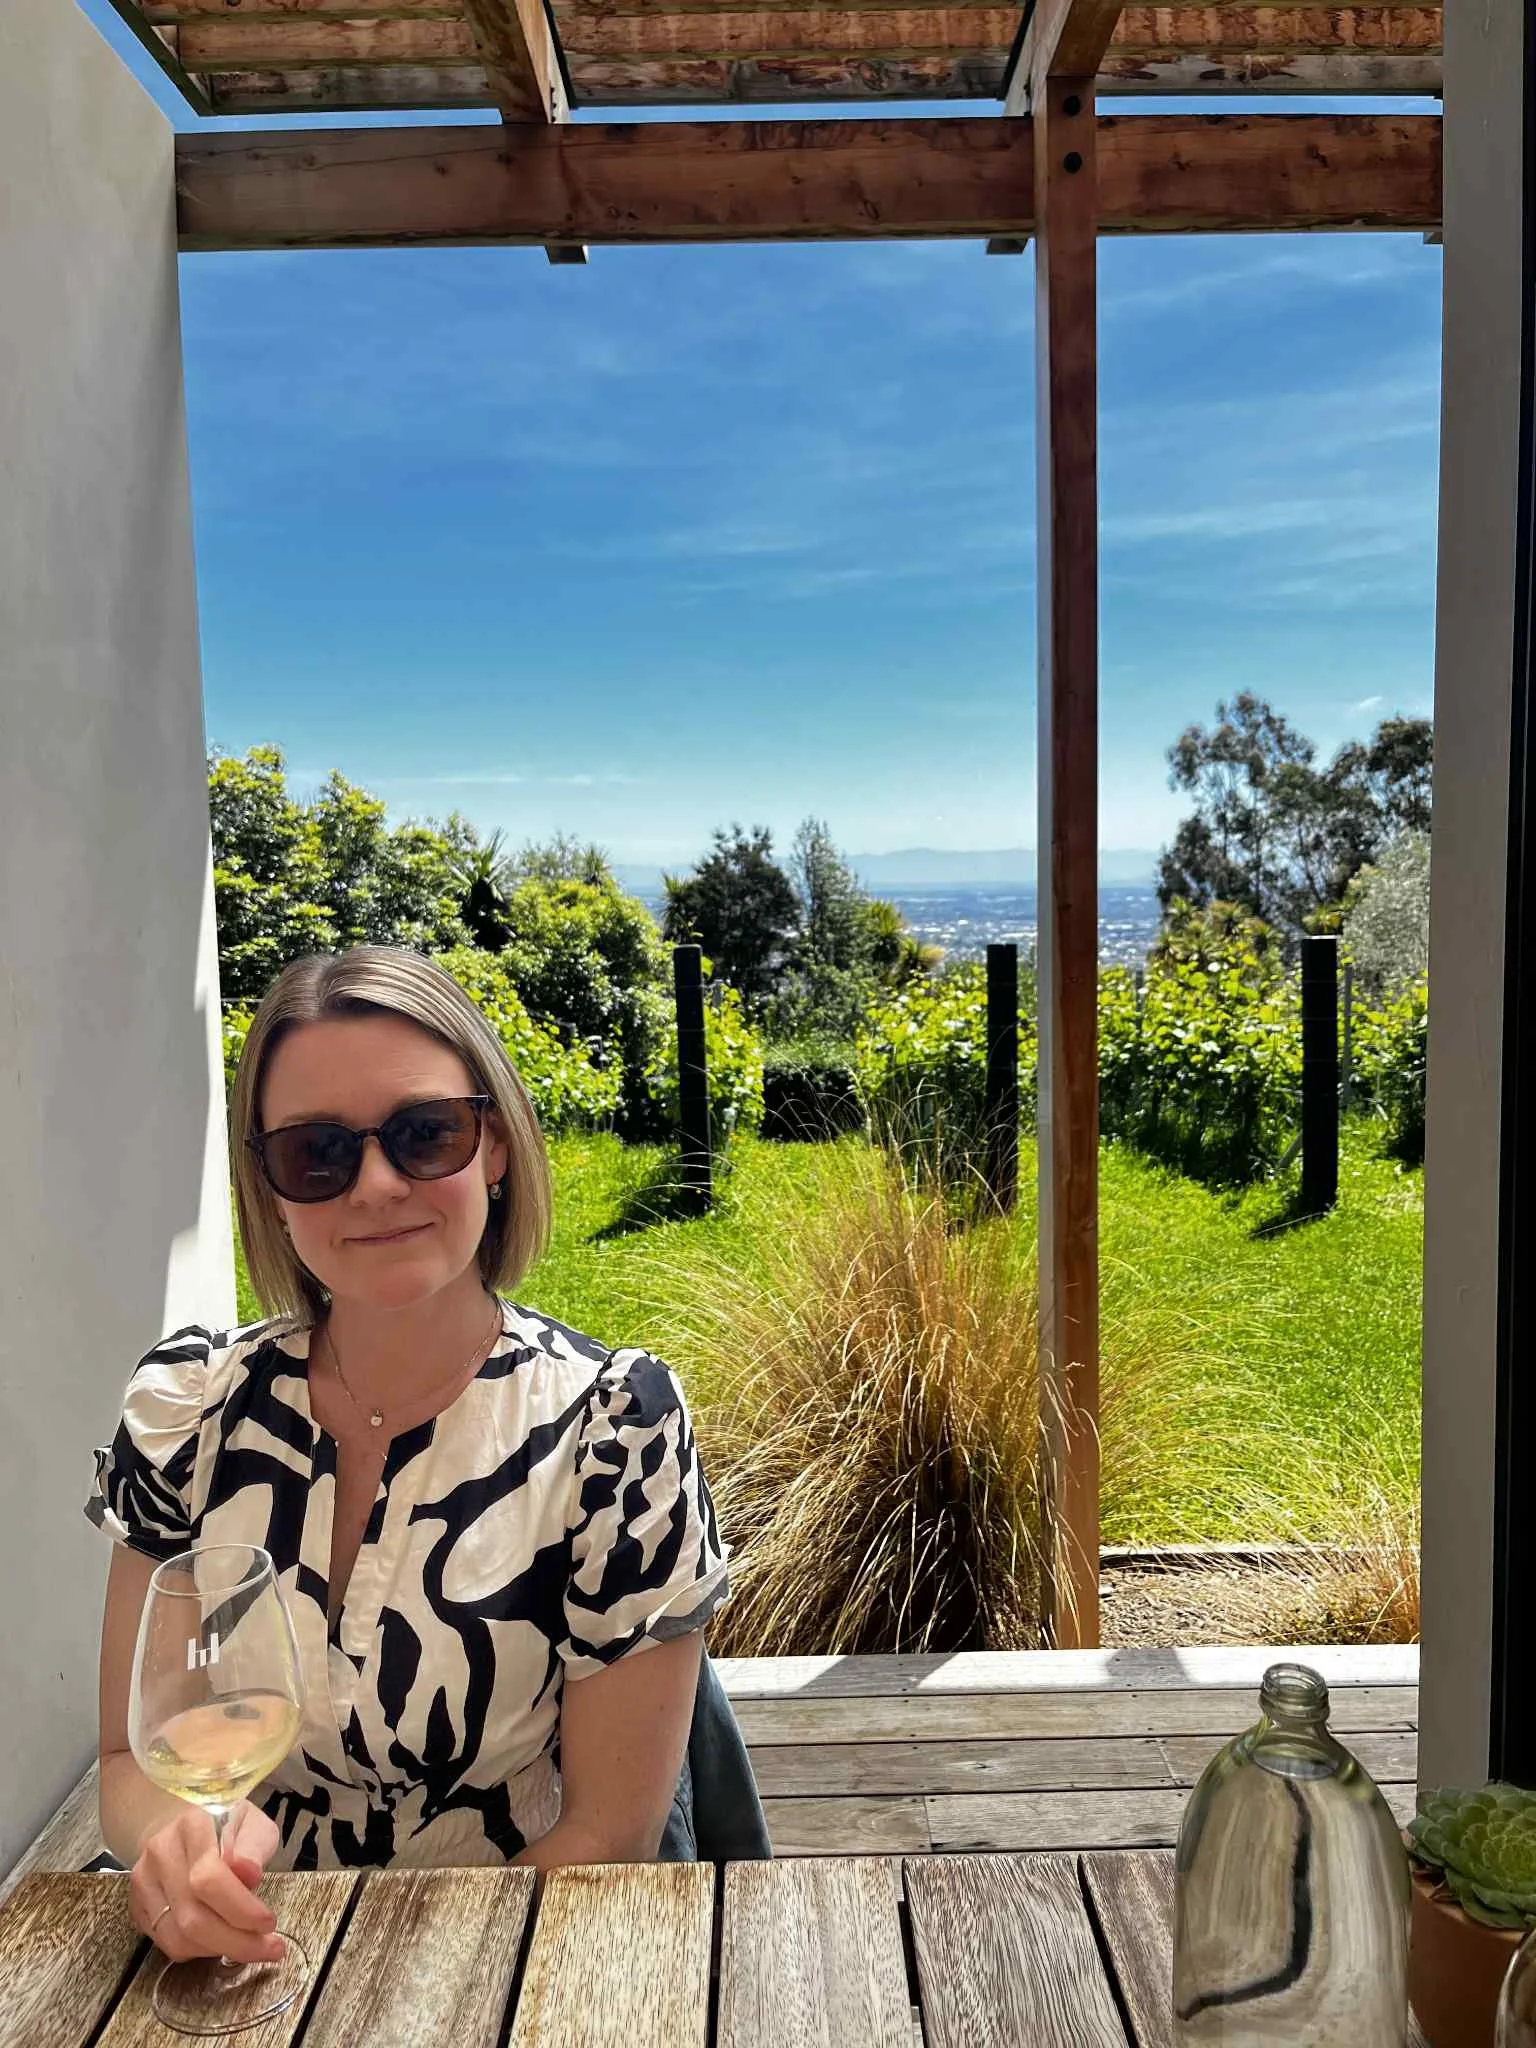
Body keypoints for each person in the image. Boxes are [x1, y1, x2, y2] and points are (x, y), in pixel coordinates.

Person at [87, 945, 734, 1972]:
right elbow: (132, 1755)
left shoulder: (613, 1427)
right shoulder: (188, 1408)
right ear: (272, 1184)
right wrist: (175, 1846)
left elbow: (609, 1835)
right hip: (232, 1958)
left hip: (500, 1954)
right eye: (318, 1153)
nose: (377, 1184)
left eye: (425, 1133)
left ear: (496, 1147)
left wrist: (373, 1982)